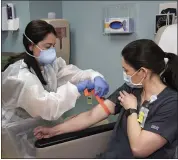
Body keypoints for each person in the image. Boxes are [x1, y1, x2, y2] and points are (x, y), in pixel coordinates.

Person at [34, 39, 178, 159]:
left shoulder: (171, 103)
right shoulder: (131, 89)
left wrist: (132, 109)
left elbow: (139, 149)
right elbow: (92, 116)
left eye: (126, 70)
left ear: (142, 72)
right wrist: (54, 131)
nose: (125, 75)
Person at [2, 20, 109, 124]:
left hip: (36, 124)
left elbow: (73, 74)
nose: (52, 51)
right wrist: (75, 89)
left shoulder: (49, 66)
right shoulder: (21, 77)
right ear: (31, 45)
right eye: (47, 47)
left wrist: (94, 76)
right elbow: (47, 107)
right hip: (15, 129)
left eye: (53, 46)